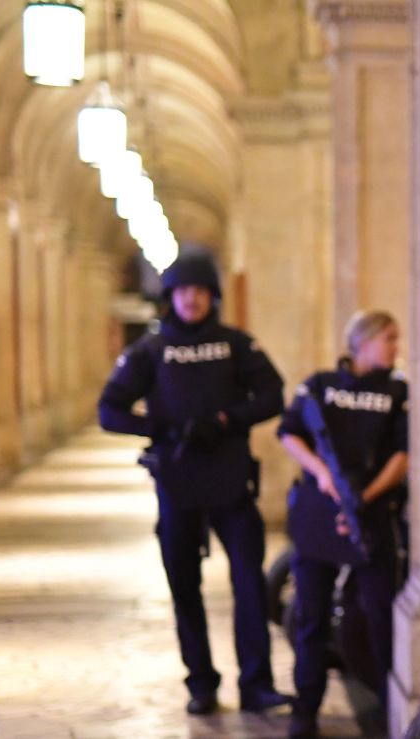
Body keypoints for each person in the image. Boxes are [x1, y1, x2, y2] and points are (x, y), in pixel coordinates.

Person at [97, 254, 289, 716]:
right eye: (183, 291)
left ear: (213, 296)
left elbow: (272, 395)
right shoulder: (150, 351)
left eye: (201, 291)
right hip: (178, 483)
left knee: (249, 584)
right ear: (170, 298)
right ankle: (201, 683)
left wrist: (226, 420)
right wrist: (162, 427)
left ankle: (256, 683)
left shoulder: (236, 344)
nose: (192, 299)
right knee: (185, 588)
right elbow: (110, 410)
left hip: (231, 482)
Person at [277, 310, 409, 739]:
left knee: (381, 618)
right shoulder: (319, 386)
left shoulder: (396, 391)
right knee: (311, 618)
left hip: (371, 520)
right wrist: (320, 471)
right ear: (363, 342)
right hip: (318, 515)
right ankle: (305, 709)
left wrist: (366, 497)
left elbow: (403, 455)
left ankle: (392, 712)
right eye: (388, 338)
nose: (395, 346)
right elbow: (288, 432)